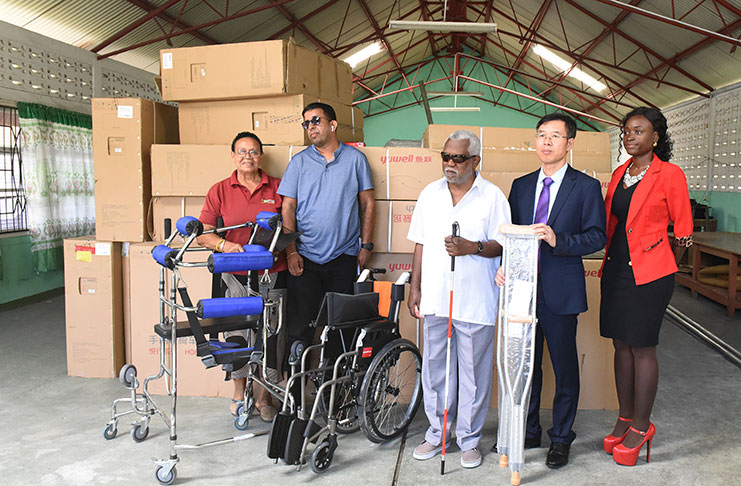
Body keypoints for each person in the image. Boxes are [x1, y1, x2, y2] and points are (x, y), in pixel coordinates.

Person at [494, 113, 607, 469]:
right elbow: (510, 237)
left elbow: (597, 236)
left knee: (563, 366)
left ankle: (561, 438)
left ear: (570, 143)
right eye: (541, 135)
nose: (546, 142)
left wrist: (560, 240)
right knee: (526, 363)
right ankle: (529, 431)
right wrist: (505, 267)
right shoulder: (522, 185)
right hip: (522, 291)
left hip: (560, 291)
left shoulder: (585, 187)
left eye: (554, 136)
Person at [407, 129, 511, 469]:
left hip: (476, 298)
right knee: (436, 369)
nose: (450, 164)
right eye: (446, 157)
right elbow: (420, 243)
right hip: (436, 296)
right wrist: (415, 287)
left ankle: (469, 439)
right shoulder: (429, 194)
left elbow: (503, 243)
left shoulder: (492, 197)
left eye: (458, 158)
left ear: (475, 161)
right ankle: (437, 433)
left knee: (473, 374)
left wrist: (472, 248)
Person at [599, 107, 693, 466]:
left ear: (655, 137)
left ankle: (642, 425)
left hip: (651, 274)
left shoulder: (669, 174)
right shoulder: (619, 173)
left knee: (642, 348)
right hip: (616, 269)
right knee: (620, 344)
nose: (630, 136)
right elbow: (612, 221)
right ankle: (624, 417)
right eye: (626, 131)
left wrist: (666, 266)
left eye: (638, 131)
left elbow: (683, 231)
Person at [197, 131, 287, 422]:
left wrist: (294, 253)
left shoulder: (277, 187)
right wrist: (226, 245)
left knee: (270, 334)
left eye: (253, 152)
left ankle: (265, 397)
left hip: (270, 274)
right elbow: (203, 234)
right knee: (238, 334)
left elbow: (289, 226)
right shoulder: (220, 190)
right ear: (233, 155)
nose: (248, 157)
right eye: (242, 151)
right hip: (235, 275)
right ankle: (239, 392)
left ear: (261, 156)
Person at [277, 102, 374, 365]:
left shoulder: (356, 160)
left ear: (332, 125)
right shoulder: (299, 163)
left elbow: (367, 203)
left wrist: (366, 246)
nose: (310, 127)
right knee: (299, 329)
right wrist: (291, 251)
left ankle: (334, 395)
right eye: (306, 122)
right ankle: (296, 399)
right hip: (304, 258)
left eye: (315, 120)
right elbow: (288, 206)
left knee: (341, 329)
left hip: (344, 257)